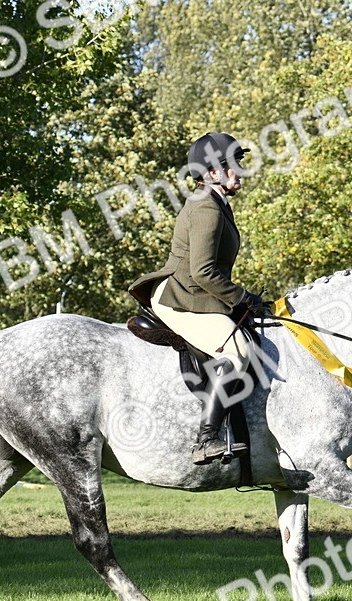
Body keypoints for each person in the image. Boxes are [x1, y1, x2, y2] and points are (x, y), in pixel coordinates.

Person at [128, 132, 265, 465]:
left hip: (195, 292)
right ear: (213, 172)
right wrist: (243, 298)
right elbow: (203, 272)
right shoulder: (207, 208)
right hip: (180, 296)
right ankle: (206, 440)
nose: (240, 172)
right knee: (237, 352)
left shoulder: (215, 203)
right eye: (234, 165)